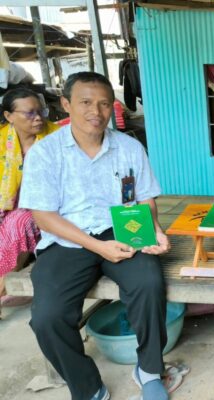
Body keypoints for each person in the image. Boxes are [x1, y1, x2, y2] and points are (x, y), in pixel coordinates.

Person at [19, 72, 171, 400]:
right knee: (47, 317)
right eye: (86, 102)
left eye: (104, 104)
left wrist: (155, 230)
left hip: (122, 230)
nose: (96, 112)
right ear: (65, 104)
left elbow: (145, 200)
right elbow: (43, 216)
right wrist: (97, 247)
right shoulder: (45, 153)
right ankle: (88, 387)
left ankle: (149, 369)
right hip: (67, 240)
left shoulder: (129, 147)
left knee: (148, 283)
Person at [0, 88, 59, 306]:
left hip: (45, 203)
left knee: (18, 224)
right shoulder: (2, 140)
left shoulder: (57, 137)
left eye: (41, 111)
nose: (38, 118)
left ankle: (4, 286)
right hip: (8, 202)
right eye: (29, 113)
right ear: (9, 116)